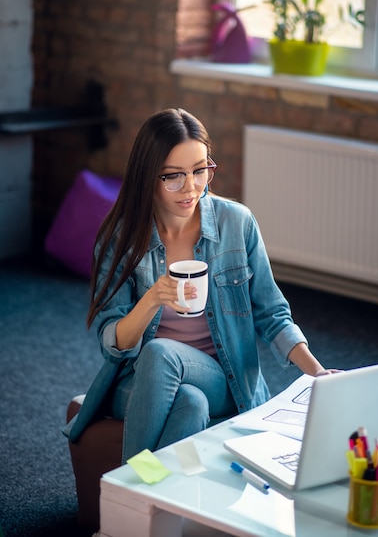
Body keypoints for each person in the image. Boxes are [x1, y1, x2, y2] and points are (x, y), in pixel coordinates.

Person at [65, 108, 338, 463]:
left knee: (164, 354)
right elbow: (113, 344)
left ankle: (126, 492)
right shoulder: (120, 238)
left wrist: (317, 373)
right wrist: (152, 298)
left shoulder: (237, 223)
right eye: (173, 177)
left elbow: (272, 314)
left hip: (222, 377)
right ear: (148, 176)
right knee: (189, 403)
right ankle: (152, 496)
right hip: (139, 380)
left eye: (200, 170)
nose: (191, 187)